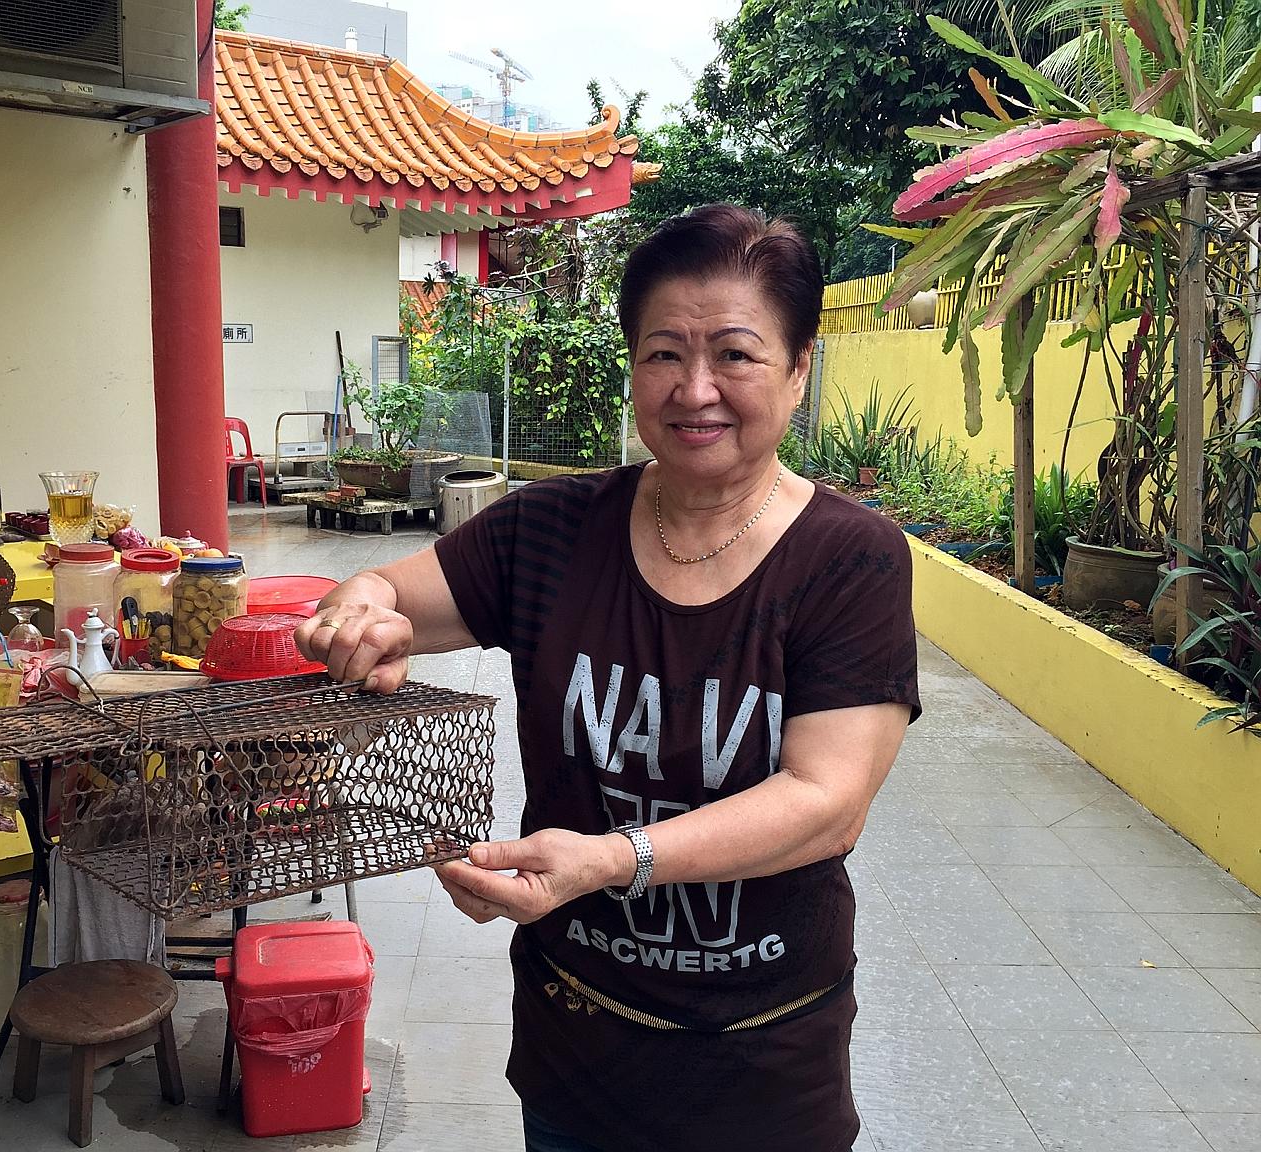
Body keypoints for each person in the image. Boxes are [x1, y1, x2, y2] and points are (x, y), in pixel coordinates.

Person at [295, 204, 920, 1152]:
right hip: (577, 1045)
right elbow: (384, 588)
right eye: (664, 353)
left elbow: (827, 802)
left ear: (797, 373)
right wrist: (359, 612)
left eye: (737, 355)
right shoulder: (550, 529)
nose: (695, 387)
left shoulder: (850, 558)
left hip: (759, 1065)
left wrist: (606, 860)